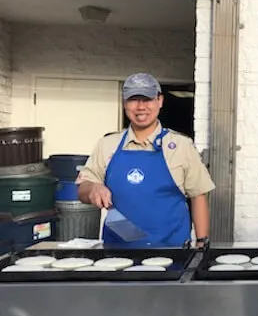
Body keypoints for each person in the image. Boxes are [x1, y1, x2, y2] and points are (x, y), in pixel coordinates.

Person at [77, 73, 214, 248]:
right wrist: (92, 188)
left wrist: (202, 242)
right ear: (124, 103)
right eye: (134, 100)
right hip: (118, 253)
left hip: (172, 250)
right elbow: (82, 189)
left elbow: (198, 195)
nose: (141, 107)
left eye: (147, 99)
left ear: (160, 101)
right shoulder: (107, 144)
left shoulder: (181, 146)